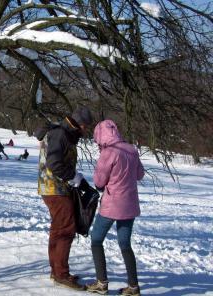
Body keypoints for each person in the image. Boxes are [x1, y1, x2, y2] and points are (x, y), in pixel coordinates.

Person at [35, 107, 93, 291]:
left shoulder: (62, 132)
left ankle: (57, 270)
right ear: (81, 124)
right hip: (55, 188)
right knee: (66, 229)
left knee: (58, 228)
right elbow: (54, 163)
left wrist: (76, 178)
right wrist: (73, 177)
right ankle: (61, 274)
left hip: (53, 187)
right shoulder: (61, 134)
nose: (86, 131)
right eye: (86, 127)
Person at [86, 119, 144, 296]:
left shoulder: (109, 152)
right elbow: (139, 175)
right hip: (130, 204)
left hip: (112, 205)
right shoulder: (131, 149)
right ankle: (133, 288)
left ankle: (101, 283)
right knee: (125, 244)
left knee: (96, 239)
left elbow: (99, 181)